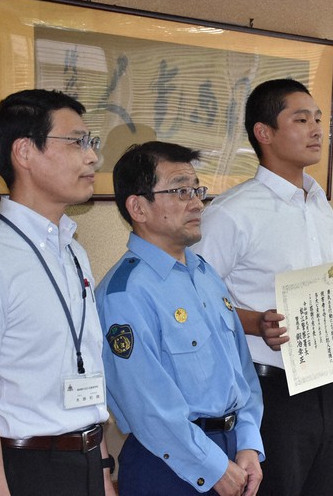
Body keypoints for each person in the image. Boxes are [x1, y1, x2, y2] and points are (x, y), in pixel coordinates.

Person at [0, 89, 115, 496]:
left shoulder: (73, 250)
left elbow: (84, 369)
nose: (92, 157)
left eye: (91, 143)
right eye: (77, 142)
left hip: (88, 461)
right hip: (26, 471)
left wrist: (104, 474)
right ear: (24, 152)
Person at [193, 78, 333, 495]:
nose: (317, 129)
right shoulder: (232, 213)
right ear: (264, 134)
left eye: (319, 119)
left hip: (325, 386)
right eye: (301, 119)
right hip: (265, 389)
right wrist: (253, 322)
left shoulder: (320, 205)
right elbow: (195, 301)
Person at [95, 141, 264, 496]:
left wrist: (248, 443)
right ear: (138, 207)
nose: (196, 203)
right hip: (169, 466)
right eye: (180, 191)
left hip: (232, 455)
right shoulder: (124, 292)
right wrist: (214, 467)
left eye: (196, 190)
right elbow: (147, 406)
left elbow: (242, 373)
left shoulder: (204, 274)